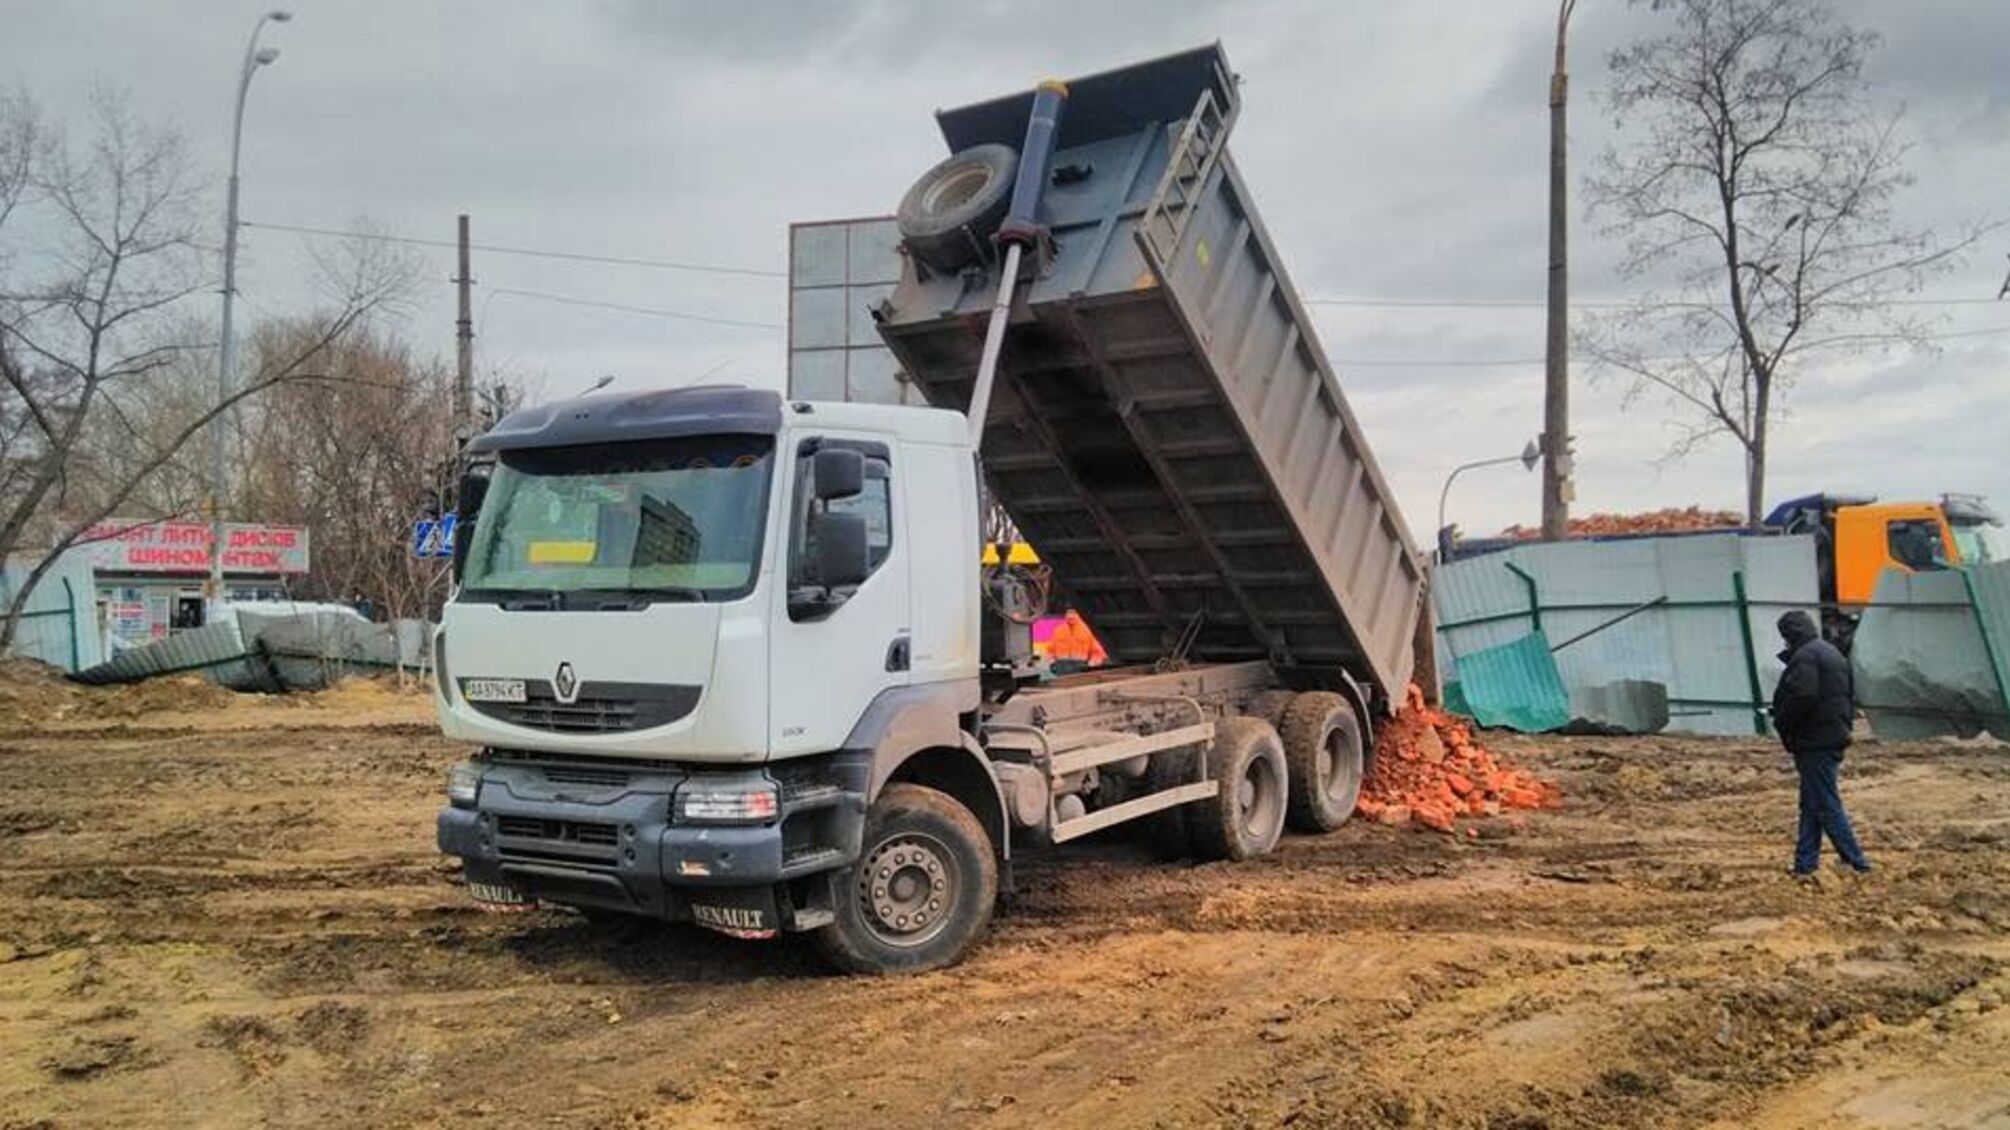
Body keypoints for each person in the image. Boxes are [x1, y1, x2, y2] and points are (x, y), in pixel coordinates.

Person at [1770, 610, 1871, 877]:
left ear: (1790, 634)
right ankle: (1805, 865)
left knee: (1825, 804)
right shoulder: (1831, 653)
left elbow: (1802, 696)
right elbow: (1846, 696)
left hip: (1814, 740)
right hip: (1831, 735)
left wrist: (1782, 721)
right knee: (1812, 805)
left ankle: (1857, 863)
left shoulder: (1805, 657)